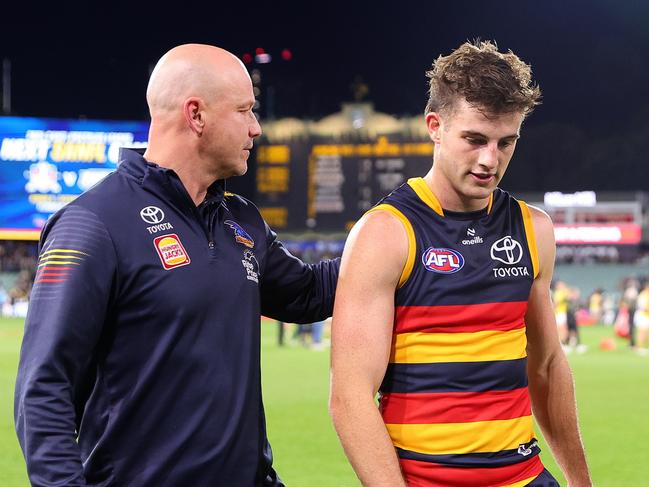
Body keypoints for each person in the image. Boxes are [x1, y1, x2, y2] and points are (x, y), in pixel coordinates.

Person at [14, 44, 339, 487]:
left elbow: (310, 293)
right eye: (245, 110)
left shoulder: (241, 220)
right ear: (196, 115)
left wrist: (397, 231)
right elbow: (44, 389)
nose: (256, 128)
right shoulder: (93, 224)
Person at [330, 41, 592, 486]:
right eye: (474, 139)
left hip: (526, 477)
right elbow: (350, 397)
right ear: (435, 125)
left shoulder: (535, 230)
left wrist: (581, 483)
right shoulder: (385, 233)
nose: (490, 159)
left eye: (506, 142)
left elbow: (546, 366)